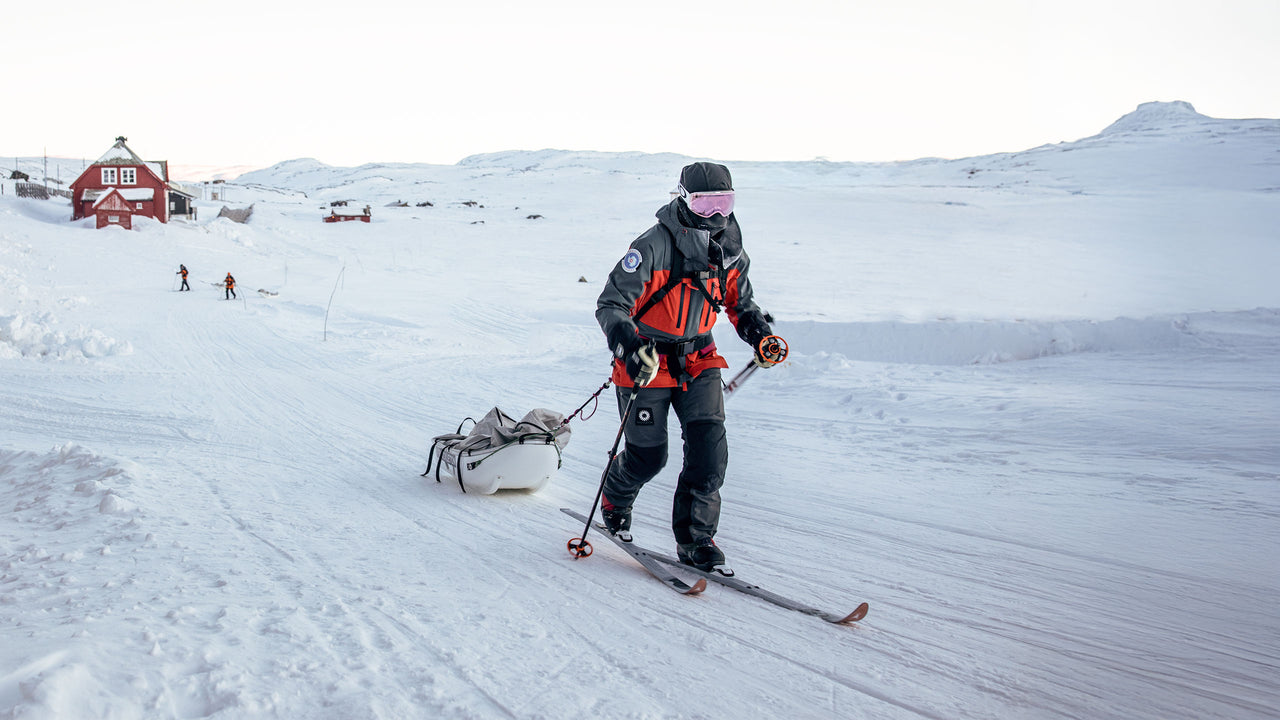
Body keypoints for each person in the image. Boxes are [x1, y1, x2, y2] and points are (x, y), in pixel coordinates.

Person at [595, 162, 783, 575]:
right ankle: (615, 498)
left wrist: (760, 335)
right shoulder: (652, 245)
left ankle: (697, 541)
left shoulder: (731, 250)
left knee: (709, 456)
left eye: (724, 203)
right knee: (648, 457)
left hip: (700, 360)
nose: (716, 215)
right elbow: (611, 305)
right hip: (647, 362)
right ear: (683, 199)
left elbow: (741, 304)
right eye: (704, 204)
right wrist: (630, 346)